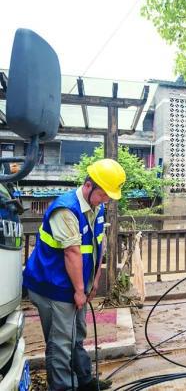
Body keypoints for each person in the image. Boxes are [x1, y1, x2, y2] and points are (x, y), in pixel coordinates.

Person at [23, 158, 126, 391]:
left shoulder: (96, 207)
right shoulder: (66, 209)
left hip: (75, 283)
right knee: (61, 343)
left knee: (76, 334)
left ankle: (84, 381)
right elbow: (72, 252)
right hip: (52, 285)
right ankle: (63, 387)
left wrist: (94, 280)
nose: (106, 200)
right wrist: (79, 290)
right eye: (104, 194)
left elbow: (98, 244)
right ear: (89, 185)